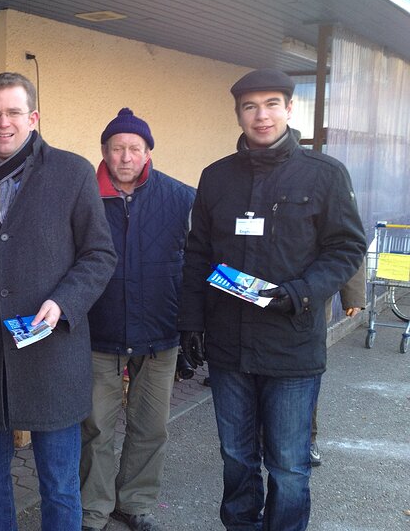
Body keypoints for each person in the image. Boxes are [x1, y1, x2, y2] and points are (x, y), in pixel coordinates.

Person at [178, 68, 366, 531]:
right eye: (249, 106)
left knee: (288, 466)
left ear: (288, 108)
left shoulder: (324, 174)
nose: (260, 115)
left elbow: (346, 248)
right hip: (229, 346)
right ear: (238, 114)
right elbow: (197, 252)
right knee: (237, 458)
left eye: (271, 104)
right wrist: (190, 323)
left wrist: (300, 293)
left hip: (292, 346)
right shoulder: (216, 177)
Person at [0, 72, 117, 530]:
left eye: (14, 112)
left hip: (52, 353)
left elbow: (99, 254)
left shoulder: (72, 171)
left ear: (33, 117)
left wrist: (65, 301)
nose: (3, 123)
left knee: (59, 485)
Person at [80, 108, 195, 531]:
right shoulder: (84, 195)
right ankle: (93, 507)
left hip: (159, 331)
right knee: (95, 428)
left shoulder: (181, 197)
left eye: (134, 148)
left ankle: (136, 502)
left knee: (151, 427)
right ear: (105, 152)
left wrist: (194, 320)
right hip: (99, 331)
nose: (125, 156)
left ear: (148, 152)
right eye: (117, 148)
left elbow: (202, 258)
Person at [311, 261, 366, 466]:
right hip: (255, 301)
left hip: (310, 304)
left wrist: (353, 295)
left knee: (304, 377)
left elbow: (349, 240)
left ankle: (307, 438)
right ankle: (262, 435)